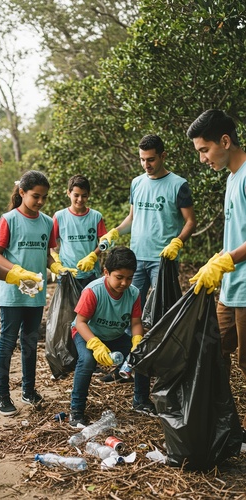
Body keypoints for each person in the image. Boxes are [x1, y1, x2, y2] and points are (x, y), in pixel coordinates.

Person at [99, 134, 196, 408]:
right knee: (130, 318)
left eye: (151, 159)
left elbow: (190, 220)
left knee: (163, 319)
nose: (146, 165)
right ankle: (131, 373)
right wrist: (115, 232)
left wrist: (178, 241)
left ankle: (168, 378)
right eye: (142, 159)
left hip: (163, 261)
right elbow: (133, 217)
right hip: (135, 260)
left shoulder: (178, 185)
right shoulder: (137, 183)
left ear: (163, 156)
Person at [0, 170, 73, 417]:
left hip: (35, 294)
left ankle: (28, 391)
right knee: (7, 341)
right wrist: (16, 271)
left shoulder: (47, 222)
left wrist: (55, 265)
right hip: (13, 293)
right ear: (22, 193)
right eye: (35, 196)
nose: (40, 202)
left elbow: (48, 254)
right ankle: (1, 394)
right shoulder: (9, 219)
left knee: (29, 341)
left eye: (44, 198)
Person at [187, 109, 246, 442]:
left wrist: (224, 262)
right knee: (213, 353)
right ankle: (222, 426)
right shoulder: (231, 178)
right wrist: (217, 261)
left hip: (245, 287)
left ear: (225, 141)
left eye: (204, 150)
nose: (201, 158)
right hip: (231, 287)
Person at [69, 246, 148, 427]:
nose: (124, 283)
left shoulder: (134, 293)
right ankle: (76, 409)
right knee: (87, 360)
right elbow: (80, 322)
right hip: (88, 333)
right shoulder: (93, 291)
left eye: (129, 278)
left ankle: (141, 401)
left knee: (141, 355)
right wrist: (96, 344)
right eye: (119, 277)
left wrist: (137, 341)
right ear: (106, 272)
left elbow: (136, 323)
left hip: (115, 335)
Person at [52, 174, 107, 288]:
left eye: (84, 196)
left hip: (91, 273)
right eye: (76, 195)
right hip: (67, 273)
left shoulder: (96, 216)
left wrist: (93, 256)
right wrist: (55, 259)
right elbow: (49, 244)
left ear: (89, 195)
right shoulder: (59, 217)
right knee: (69, 306)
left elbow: (105, 243)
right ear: (68, 193)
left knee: (90, 305)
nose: (80, 199)